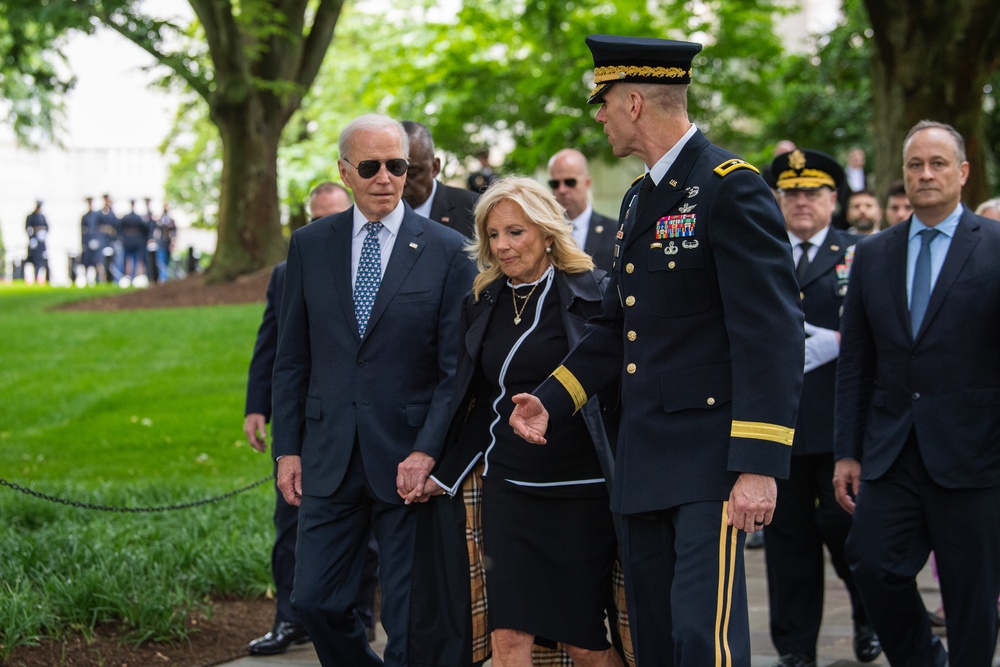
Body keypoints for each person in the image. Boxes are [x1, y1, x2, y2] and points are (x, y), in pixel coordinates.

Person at [509, 35, 804, 667]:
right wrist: (553, 400)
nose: (599, 115)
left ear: (635, 101)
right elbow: (619, 328)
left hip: (710, 465)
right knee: (658, 636)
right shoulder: (641, 197)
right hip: (643, 459)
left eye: (604, 101)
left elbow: (772, 335)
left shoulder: (731, 188)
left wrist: (758, 465)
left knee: (706, 640)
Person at [271, 113, 476, 667]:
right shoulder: (310, 246)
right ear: (344, 170)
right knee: (313, 599)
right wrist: (287, 448)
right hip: (328, 454)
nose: (386, 177)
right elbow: (291, 359)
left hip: (407, 460)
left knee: (407, 620)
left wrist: (428, 450)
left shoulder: (448, 250)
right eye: (370, 166)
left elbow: (453, 370)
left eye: (397, 165)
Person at [413, 177, 624, 667]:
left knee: (583, 643)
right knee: (508, 639)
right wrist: (442, 472)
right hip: (509, 490)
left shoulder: (595, 294)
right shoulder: (483, 301)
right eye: (493, 235)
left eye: (515, 232)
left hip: (579, 490)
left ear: (548, 232)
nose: (502, 247)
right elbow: (483, 401)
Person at [834, 120, 1000, 667]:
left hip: (975, 452)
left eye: (937, 164)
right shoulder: (874, 254)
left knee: (971, 593)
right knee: (871, 563)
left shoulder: (995, 247)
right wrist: (847, 451)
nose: (925, 175)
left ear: (963, 173)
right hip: (892, 449)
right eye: (914, 165)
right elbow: (856, 361)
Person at [243, 181, 382, 656]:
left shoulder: (376, 266)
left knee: (363, 538)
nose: (325, 225)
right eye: (317, 217)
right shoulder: (289, 270)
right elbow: (274, 347)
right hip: (304, 424)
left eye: (334, 216)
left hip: (365, 426)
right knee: (290, 526)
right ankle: (289, 619)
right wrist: (256, 406)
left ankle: (360, 617)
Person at [764, 149, 880, 667]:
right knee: (787, 545)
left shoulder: (861, 252)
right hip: (779, 425)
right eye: (792, 194)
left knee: (850, 535)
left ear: (834, 199)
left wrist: (840, 340)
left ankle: (869, 619)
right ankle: (793, 647)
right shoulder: (764, 253)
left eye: (813, 193)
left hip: (840, 428)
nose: (802, 202)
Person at [401, 120, 480, 239]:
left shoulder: (474, 210)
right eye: (395, 170)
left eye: (412, 173)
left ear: (435, 167)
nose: (403, 181)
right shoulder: (375, 212)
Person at [547, 148, 617, 271]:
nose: (562, 190)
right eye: (555, 184)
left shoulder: (615, 231)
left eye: (570, 182)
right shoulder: (545, 232)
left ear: (587, 183)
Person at [120, 199, 150, 284]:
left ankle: (129, 276)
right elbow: (145, 228)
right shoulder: (138, 218)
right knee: (135, 259)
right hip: (137, 241)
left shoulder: (126, 217)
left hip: (128, 241)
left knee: (129, 259)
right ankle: (133, 275)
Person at [25, 200, 50, 284]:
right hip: (34, 242)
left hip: (41, 243)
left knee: (41, 261)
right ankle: (33, 277)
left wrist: (43, 233)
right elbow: (28, 228)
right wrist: (32, 238)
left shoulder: (42, 217)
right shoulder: (30, 217)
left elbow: (47, 227)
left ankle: (40, 277)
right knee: (33, 260)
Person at [153, 202, 176, 283]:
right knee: (161, 260)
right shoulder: (159, 220)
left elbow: (173, 233)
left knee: (167, 260)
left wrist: (173, 242)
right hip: (161, 243)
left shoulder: (171, 221)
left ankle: (165, 276)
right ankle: (163, 277)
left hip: (168, 243)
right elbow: (156, 232)